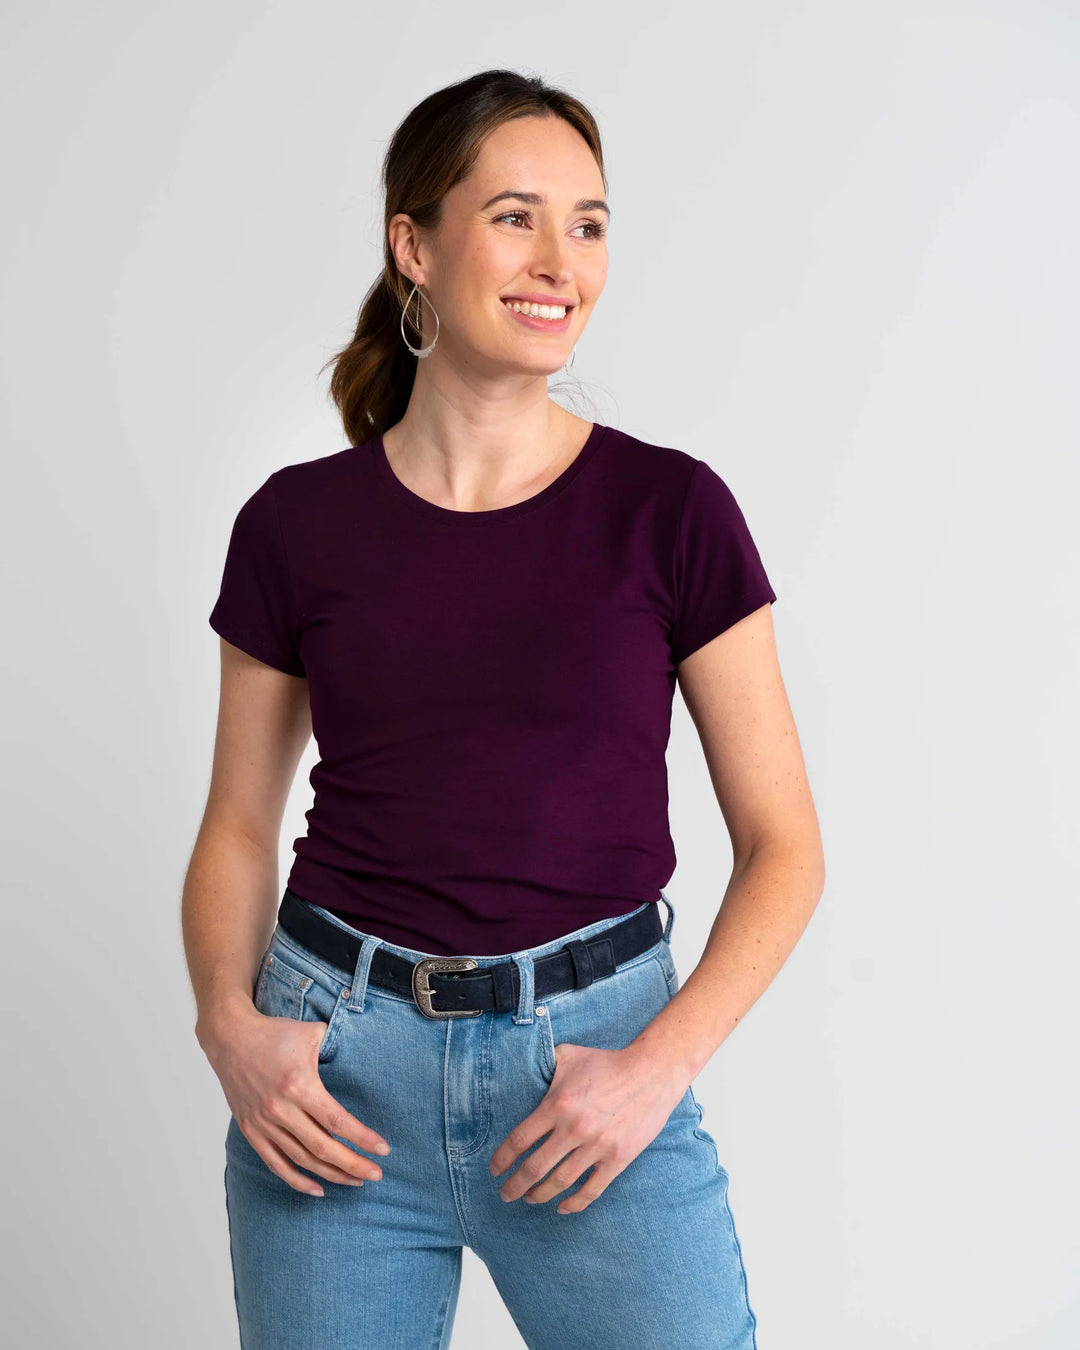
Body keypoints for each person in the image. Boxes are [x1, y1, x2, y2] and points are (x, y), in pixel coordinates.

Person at [184, 67, 824, 1350]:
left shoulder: (671, 512)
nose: (559, 262)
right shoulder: (295, 526)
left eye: (588, 224)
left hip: (594, 1076)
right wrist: (230, 1030)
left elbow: (785, 848)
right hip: (334, 1085)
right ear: (414, 246)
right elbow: (239, 828)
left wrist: (656, 1069)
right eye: (516, 216)